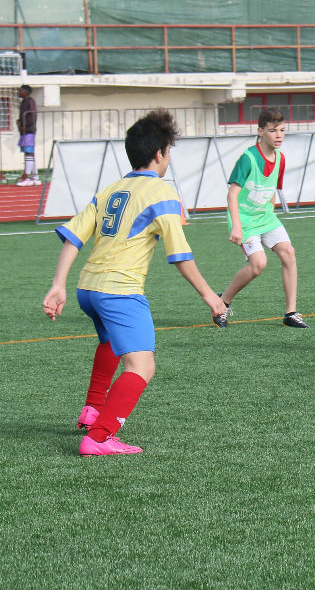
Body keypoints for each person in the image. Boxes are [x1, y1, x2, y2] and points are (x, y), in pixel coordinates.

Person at [42, 109, 225, 456]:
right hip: (120, 292)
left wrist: (58, 285)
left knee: (111, 342)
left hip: (87, 288)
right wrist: (211, 297)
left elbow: (73, 238)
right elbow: (180, 256)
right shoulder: (162, 193)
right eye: (169, 150)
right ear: (161, 153)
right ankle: (99, 436)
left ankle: (93, 409)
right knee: (142, 366)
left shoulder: (111, 189)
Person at [215, 107, 308, 328]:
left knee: (288, 252)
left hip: (265, 218)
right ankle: (222, 303)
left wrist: (271, 215)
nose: (279, 136)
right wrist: (236, 226)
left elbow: (272, 190)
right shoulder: (248, 158)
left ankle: (290, 313)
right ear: (260, 131)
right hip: (245, 221)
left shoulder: (281, 159)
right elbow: (232, 194)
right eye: (273, 130)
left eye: (282, 130)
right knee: (258, 264)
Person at [16, 85, 39, 186]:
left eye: (20, 90)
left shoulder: (30, 101)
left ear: (26, 92)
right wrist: (19, 123)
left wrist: (24, 124)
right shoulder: (23, 102)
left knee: (29, 152)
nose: (19, 92)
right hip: (24, 131)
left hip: (29, 130)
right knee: (28, 153)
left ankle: (27, 177)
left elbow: (32, 115)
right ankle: (35, 177)